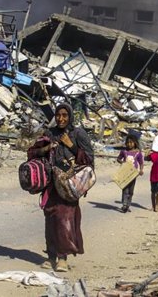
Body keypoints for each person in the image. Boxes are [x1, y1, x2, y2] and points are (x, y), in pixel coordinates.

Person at [27, 103, 94, 273]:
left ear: (70, 116)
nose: (61, 118)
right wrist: (46, 148)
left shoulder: (78, 134)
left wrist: (71, 145)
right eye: (58, 115)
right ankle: (51, 256)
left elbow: (89, 160)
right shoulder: (50, 133)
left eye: (64, 115)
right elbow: (32, 152)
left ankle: (62, 257)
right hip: (51, 185)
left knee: (64, 220)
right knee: (50, 220)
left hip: (69, 185)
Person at [116, 129, 144, 213]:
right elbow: (118, 159)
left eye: (131, 142)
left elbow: (141, 162)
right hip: (125, 172)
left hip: (133, 174)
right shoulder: (124, 151)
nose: (129, 144)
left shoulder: (138, 153)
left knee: (131, 191)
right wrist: (122, 162)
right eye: (128, 142)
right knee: (125, 189)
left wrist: (141, 170)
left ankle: (128, 205)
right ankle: (124, 205)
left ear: (135, 143)